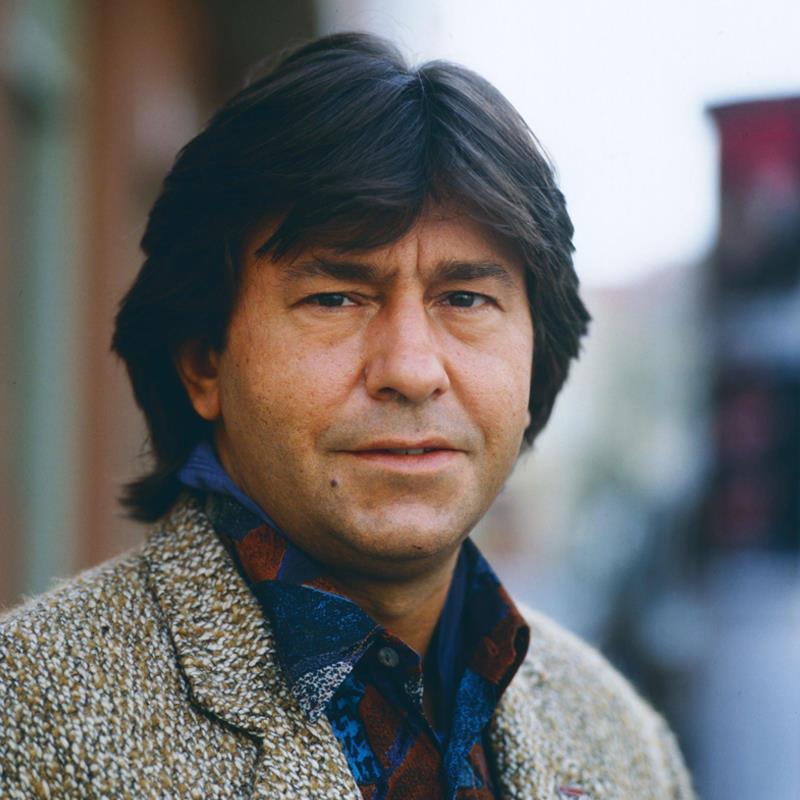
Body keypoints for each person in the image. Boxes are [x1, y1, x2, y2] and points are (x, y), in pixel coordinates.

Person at [0, 32, 694, 799]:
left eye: (465, 298)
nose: (411, 370)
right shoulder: (29, 719)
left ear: (537, 356)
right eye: (335, 298)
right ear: (203, 360)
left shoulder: (622, 740)